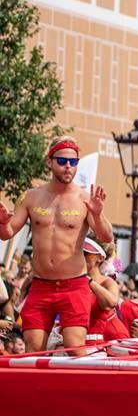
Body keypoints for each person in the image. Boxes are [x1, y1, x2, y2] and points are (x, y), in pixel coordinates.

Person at [0, 136, 114, 354]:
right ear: (49, 162)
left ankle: (73, 389)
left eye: (73, 162)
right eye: (62, 161)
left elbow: (106, 236)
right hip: (41, 285)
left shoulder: (84, 198)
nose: (68, 167)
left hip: (74, 286)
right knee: (32, 350)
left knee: (75, 350)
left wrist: (97, 215)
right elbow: (6, 234)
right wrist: (2, 221)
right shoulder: (31, 197)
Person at [82, 238, 129, 344]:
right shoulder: (73, 280)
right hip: (72, 342)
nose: (80, 256)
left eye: (85, 253)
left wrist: (88, 280)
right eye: (78, 252)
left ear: (100, 258)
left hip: (101, 340)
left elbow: (111, 303)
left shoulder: (108, 282)